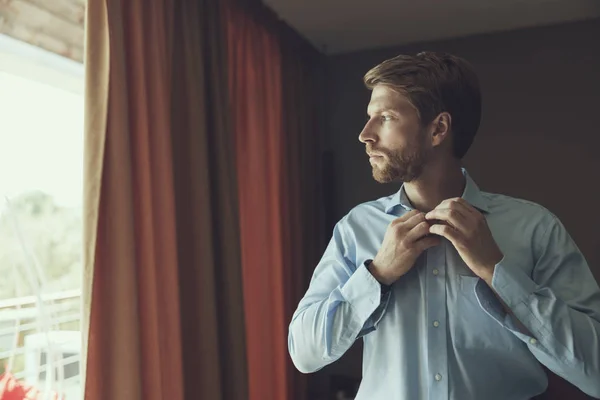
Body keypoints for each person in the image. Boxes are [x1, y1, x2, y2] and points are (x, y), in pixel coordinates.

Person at [287, 52, 600, 400]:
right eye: (368, 117)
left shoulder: (535, 228)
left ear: (437, 129)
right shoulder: (356, 228)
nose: (365, 135)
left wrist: (497, 272)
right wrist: (377, 275)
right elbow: (304, 352)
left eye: (386, 117)